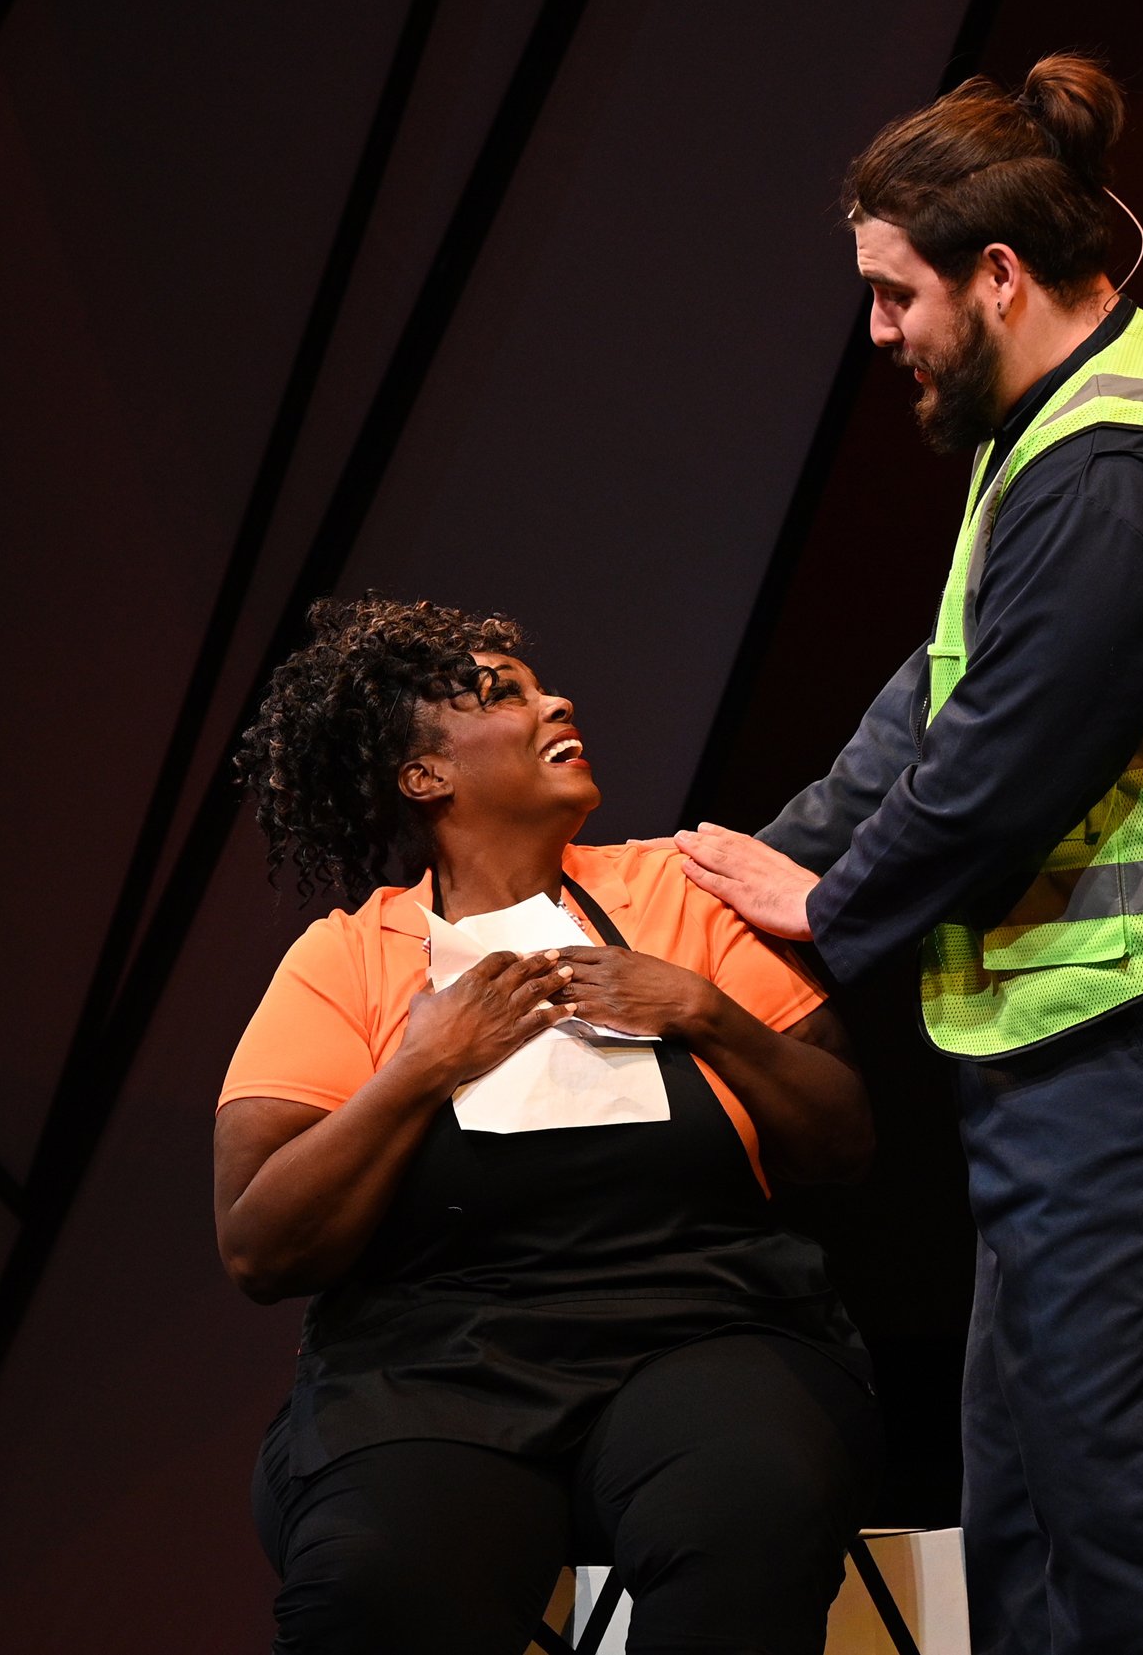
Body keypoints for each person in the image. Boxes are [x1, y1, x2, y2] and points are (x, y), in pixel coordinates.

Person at [674, 56, 1143, 1655]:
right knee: (1031, 1513)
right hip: (1095, 1047)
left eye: (892, 295)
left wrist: (832, 908)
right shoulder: (1054, 428)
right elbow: (935, 695)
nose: (877, 337)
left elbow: (1000, 772)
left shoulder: (1128, 466)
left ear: (997, 276)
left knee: (1125, 1529)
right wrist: (737, 871)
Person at [216, 597, 884, 1655]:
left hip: (703, 1330)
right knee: (371, 1587)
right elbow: (259, 1244)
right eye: (502, 694)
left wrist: (700, 1011)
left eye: (542, 685)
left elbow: (841, 1139)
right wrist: (421, 1068)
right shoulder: (347, 957)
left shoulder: (678, 894)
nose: (554, 699)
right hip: (434, 1368)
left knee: (745, 1517)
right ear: (422, 776)